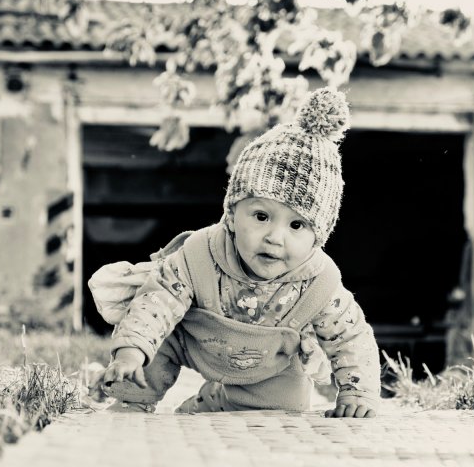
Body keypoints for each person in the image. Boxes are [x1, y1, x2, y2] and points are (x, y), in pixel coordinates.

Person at [88, 87, 381, 418]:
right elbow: (158, 300)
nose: (275, 238)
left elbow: (350, 336)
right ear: (231, 214)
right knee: (154, 347)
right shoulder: (199, 255)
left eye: (297, 225)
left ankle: (216, 401)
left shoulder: (319, 284)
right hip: (193, 340)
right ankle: (130, 398)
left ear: (318, 237)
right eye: (261, 216)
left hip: (267, 365)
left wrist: (358, 393)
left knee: (288, 404)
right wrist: (131, 350)